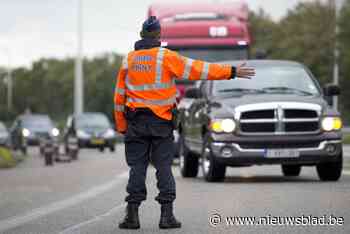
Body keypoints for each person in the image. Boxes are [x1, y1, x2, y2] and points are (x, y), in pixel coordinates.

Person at [114, 16, 255, 230]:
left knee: (137, 168)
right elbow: (201, 69)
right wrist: (232, 72)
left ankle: (132, 216)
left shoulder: (129, 60)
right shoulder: (166, 58)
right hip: (161, 123)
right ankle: (166, 216)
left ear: (141, 35)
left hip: (136, 123)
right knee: (163, 167)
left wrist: (122, 126)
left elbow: (119, 97)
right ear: (159, 35)